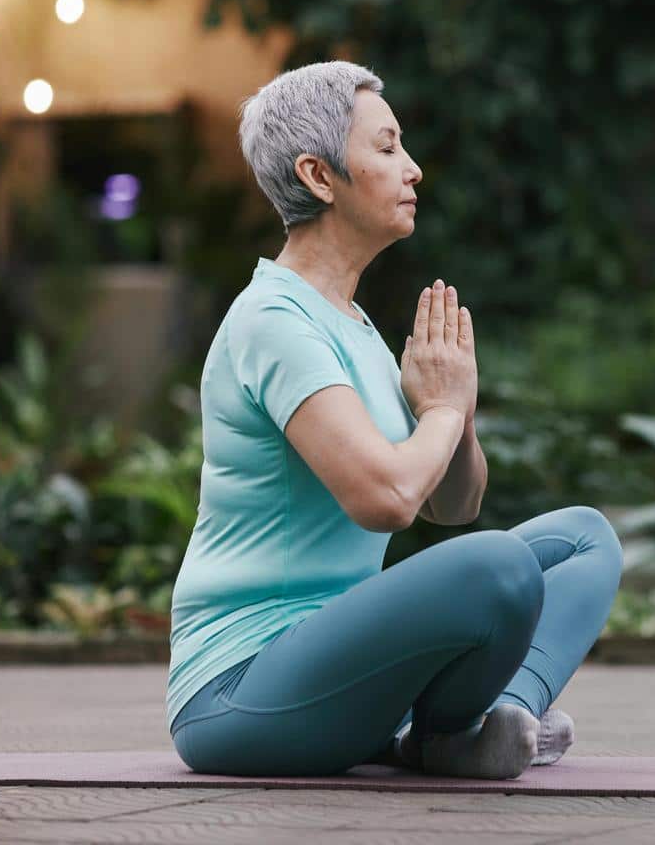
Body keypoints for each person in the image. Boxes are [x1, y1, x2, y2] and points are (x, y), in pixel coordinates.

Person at [167, 60, 624, 780]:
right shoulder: (272, 320)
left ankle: (483, 723)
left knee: (583, 540)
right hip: (240, 692)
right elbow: (385, 500)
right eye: (386, 148)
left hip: (337, 673)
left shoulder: (351, 325)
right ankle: (446, 733)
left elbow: (452, 504)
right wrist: (438, 410)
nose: (413, 170)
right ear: (319, 177)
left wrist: (458, 412)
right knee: (499, 566)